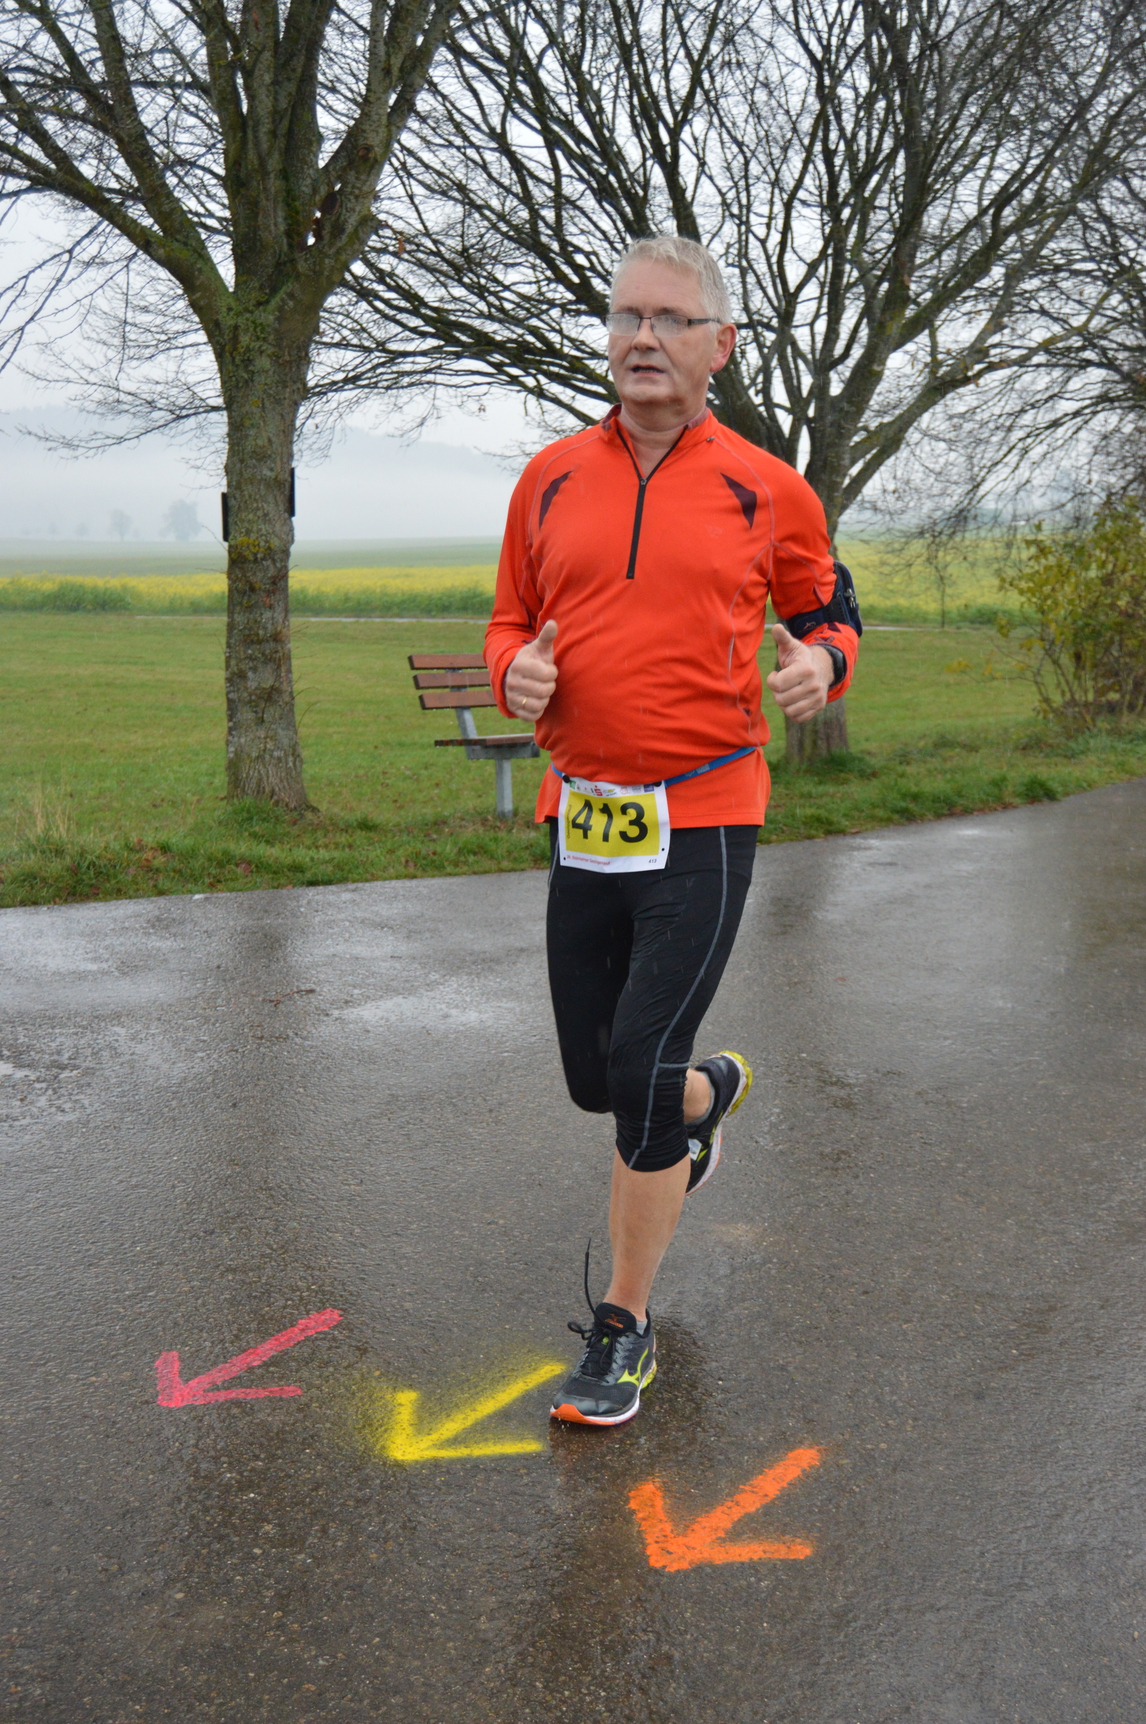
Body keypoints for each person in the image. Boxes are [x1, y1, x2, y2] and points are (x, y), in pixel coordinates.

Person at [484, 235, 860, 1427]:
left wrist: (825, 666)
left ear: (720, 346)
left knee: (638, 1069)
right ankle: (706, 1097)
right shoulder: (549, 477)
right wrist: (512, 674)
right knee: (598, 1078)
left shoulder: (768, 487)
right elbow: (508, 622)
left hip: (707, 810)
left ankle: (624, 1323)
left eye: (668, 320)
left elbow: (831, 609)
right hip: (584, 813)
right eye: (624, 317)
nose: (640, 338)